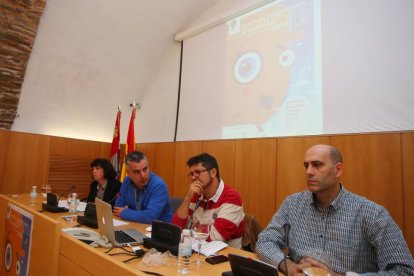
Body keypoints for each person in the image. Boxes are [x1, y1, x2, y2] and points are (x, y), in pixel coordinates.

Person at [256, 144, 414, 275]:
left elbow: (404, 271)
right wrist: (289, 267)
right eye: (306, 165)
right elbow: (265, 241)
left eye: (317, 165)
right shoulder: (293, 204)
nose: (309, 171)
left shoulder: (372, 214)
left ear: (338, 170)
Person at [172, 153, 245, 248]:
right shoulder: (196, 195)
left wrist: (188, 234)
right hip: (198, 251)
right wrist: (187, 198)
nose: (193, 177)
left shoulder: (231, 198)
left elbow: (215, 238)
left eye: (198, 172)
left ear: (213, 172)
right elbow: (176, 228)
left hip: (223, 257)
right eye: (191, 174)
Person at [113, 151, 172, 224]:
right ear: (128, 173)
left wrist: (125, 212)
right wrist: (140, 215)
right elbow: (117, 208)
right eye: (137, 172)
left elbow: (150, 217)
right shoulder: (127, 181)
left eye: (145, 169)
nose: (143, 175)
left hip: (158, 230)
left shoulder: (158, 185)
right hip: (135, 225)